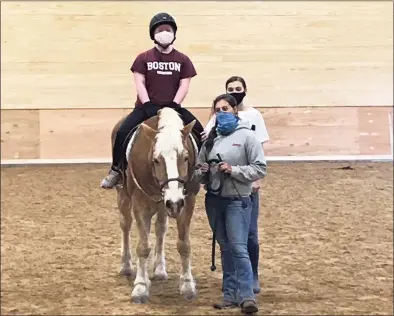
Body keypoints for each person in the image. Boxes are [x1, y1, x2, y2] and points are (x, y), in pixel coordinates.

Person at [101, 12, 204, 189]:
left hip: (173, 106)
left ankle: (200, 170)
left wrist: (175, 104)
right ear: (153, 34)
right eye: (160, 29)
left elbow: (184, 84)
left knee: (200, 132)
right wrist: (147, 103)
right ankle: (116, 170)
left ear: (174, 33)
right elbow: (139, 82)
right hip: (146, 107)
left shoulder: (183, 60)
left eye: (168, 29)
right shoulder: (143, 58)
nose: (165, 32)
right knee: (122, 132)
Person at [193, 94, 267, 313]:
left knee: (239, 248)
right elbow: (198, 170)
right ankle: (229, 295)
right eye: (217, 110)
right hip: (214, 200)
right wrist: (203, 172)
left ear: (235, 110)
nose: (221, 113)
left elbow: (260, 168)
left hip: (238, 199)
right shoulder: (209, 140)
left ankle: (246, 296)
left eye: (225, 108)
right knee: (225, 247)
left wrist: (233, 170)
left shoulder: (247, 137)